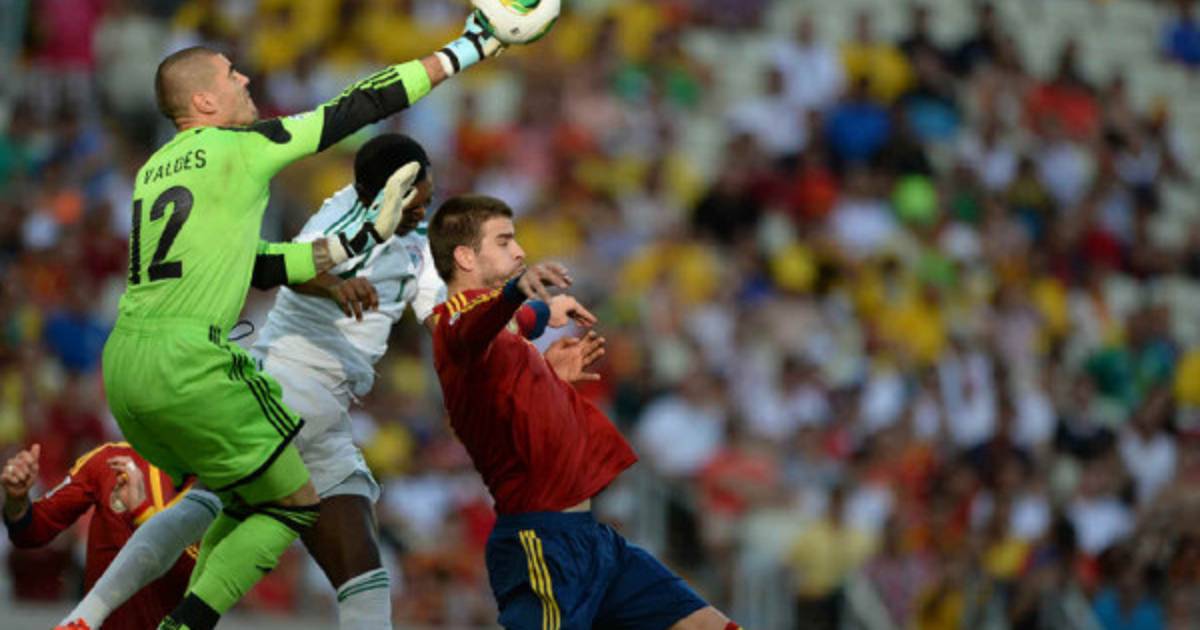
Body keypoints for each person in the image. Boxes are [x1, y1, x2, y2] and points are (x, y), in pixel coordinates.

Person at [97, 7, 551, 627]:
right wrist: (467, 49)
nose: (246, 80)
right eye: (231, 74)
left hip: (176, 365)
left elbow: (270, 265)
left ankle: (88, 617)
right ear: (203, 100)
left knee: (346, 562)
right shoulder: (265, 161)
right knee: (260, 506)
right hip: (271, 380)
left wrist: (517, 309)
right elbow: (352, 110)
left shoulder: (155, 169)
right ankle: (165, 622)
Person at [66, 135, 601, 630]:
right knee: (215, 504)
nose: (425, 207)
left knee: (363, 575)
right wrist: (335, 287)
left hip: (327, 409)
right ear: (383, 193)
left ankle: (94, 618)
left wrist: (537, 316)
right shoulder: (342, 216)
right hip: (286, 383)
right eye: (417, 198)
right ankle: (103, 617)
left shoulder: (417, 240)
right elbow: (291, 266)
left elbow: (449, 319)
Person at [426, 194, 742, 629]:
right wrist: (519, 292)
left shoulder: (506, 335)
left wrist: (550, 370)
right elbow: (475, 323)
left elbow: (519, 326)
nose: (518, 251)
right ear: (465, 256)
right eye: (503, 241)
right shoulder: (453, 323)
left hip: (592, 540)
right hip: (540, 540)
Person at [2, 442, 215, 629]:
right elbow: (31, 532)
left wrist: (142, 514)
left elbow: (206, 583)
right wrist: (17, 500)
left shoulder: (220, 484)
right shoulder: (109, 460)